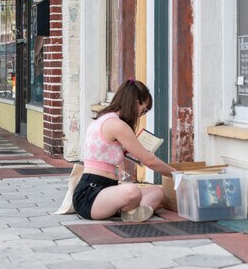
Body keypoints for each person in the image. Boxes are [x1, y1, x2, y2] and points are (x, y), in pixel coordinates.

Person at [73, 79, 175, 222]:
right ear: (136, 102)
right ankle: (130, 209)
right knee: (132, 191)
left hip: (108, 189)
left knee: (157, 192)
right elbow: (149, 161)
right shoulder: (116, 125)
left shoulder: (104, 119)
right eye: (144, 110)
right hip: (90, 195)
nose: (141, 114)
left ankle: (130, 212)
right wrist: (176, 174)